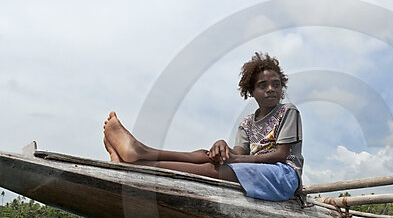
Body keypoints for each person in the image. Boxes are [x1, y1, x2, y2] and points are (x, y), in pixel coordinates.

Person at [102, 52, 303, 201]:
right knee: (205, 155)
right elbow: (238, 152)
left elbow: (281, 155)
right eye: (263, 85)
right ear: (251, 91)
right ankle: (142, 151)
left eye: (276, 84)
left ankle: (135, 165)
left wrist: (235, 159)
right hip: (255, 168)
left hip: (283, 175)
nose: (271, 89)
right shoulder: (247, 123)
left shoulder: (287, 111)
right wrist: (221, 147)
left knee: (213, 170)